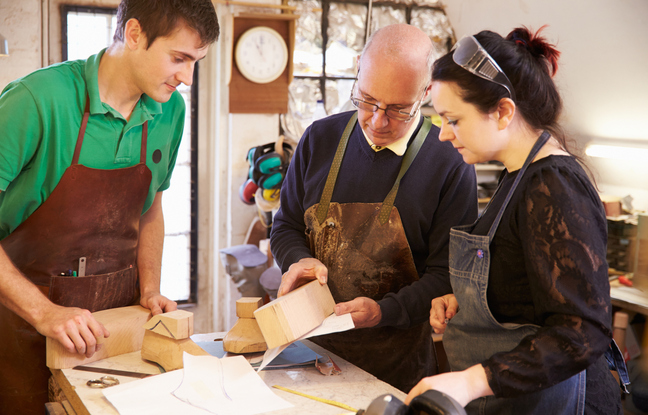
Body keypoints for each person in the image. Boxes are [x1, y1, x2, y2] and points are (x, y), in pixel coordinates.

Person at [0, 0, 219, 413]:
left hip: (114, 337)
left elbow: (151, 207)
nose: (188, 78)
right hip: (19, 326)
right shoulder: (37, 100)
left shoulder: (169, 110)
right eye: (179, 58)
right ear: (134, 34)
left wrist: (150, 288)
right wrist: (44, 313)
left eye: (196, 62)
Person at [405, 26, 629, 414]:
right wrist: (468, 300)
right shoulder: (517, 175)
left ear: (504, 111)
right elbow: (527, 286)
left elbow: (583, 331)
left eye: (453, 120)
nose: (443, 135)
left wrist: (470, 381)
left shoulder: (553, 186)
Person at [270, 23, 478, 392]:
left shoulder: (451, 161)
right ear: (357, 67)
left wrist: (385, 311)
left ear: (426, 91)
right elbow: (285, 224)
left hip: (395, 368)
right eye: (366, 100)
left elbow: (448, 274)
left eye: (398, 109)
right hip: (309, 354)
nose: (378, 121)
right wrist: (297, 260)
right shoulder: (319, 138)